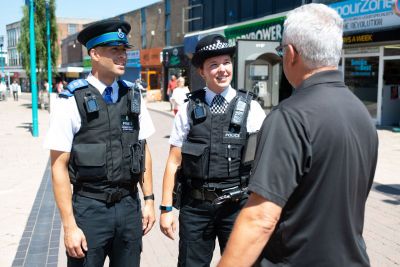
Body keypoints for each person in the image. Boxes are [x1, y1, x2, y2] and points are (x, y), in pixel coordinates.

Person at [218, 4, 379, 267]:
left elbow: (260, 219)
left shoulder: (289, 117)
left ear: (291, 54)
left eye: (281, 51)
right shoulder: (361, 113)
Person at [44, 20, 156, 267]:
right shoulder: (71, 100)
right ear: (94, 54)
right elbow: (58, 166)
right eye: (114, 49)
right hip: (90, 209)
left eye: (124, 50)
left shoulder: (134, 96)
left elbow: (144, 150)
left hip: (129, 207)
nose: (122, 56)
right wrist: (69, 226)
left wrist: (149, 200)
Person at [159, 34, 266, 266]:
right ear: (202, 72)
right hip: (196, 208)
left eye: (226, 62)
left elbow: (263, 161)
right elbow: (173, 161)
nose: (222, 70)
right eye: (214, 65)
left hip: (237, 207)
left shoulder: (252, 108)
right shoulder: (188, 109)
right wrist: (166, 208)